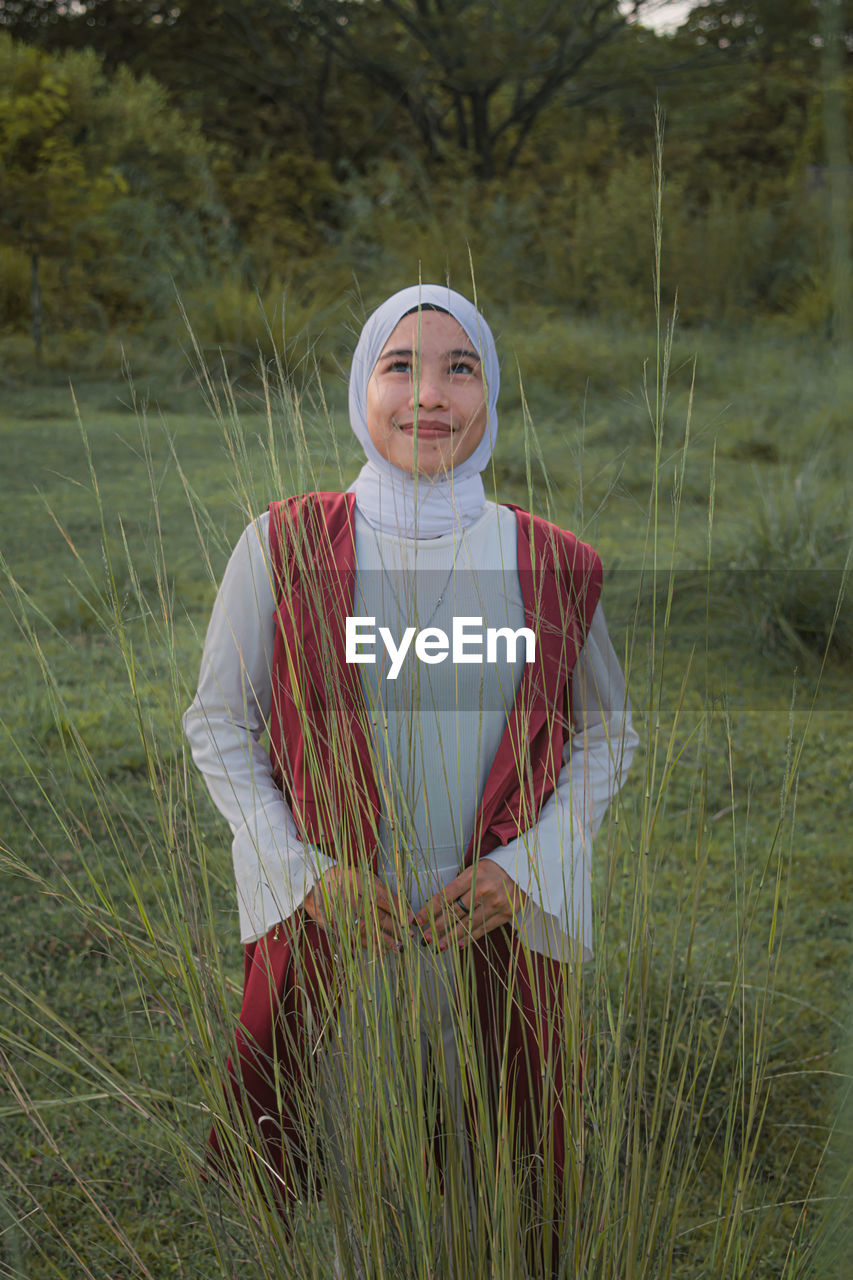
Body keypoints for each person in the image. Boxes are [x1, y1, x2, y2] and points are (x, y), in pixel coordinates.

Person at [183, 283, 638, 1277]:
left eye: (457, 367)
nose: (427, 395)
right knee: (358, 1176)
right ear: (363, 386)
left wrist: (526, 868)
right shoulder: (284, 544)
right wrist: (309, 876)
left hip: (492, 919)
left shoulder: (550, 561)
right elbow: (218, 724)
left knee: (496, 1185)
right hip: (349, 921)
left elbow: (608, 736)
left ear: (489, 393)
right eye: (400, 366)